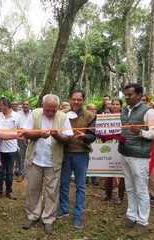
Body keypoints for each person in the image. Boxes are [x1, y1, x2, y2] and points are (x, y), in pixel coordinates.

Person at [22, 94, 73, 235]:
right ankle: (33, 215)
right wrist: (38, 134)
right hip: (35, 160)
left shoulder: (63, 117)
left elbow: (68, 138)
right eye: (47, 110)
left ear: (57, 107)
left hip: (53, 161)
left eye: (53, 110)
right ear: (42, 106)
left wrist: (56, 135)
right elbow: (25, 133)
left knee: (52, 191)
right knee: (33, 189)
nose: (50, 113)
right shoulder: (35, 114)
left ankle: (48, 219)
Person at [118, 83, 154, 238]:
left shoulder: (149, 112)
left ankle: (142, 222)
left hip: (140, 157)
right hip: (125, 153)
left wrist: (141, 132)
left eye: (130, 94)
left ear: (140, 94)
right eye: (126, 94)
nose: (127, 97)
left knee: (141, 189)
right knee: (130, 188)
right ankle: (131, 217)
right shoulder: (124, 111)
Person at [56, 89, 96, 229]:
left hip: (81, 154)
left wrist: (85, 137)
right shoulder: (63, 115)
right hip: (66, 153)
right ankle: (64, 208)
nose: (76, 102)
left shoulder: (90, 115)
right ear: (71, 99)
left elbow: (93, 136)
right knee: (64, 183)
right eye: (74, 99)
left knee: (80, 186)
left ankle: (78, 215)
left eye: (79, 99)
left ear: (83, 100)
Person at [0, 97, 21, 201]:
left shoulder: (17, 116)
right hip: (0, 148)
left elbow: (20, 131)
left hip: (12, 148)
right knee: (0, 171)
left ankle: (9, 191)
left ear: (6, 105)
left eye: (1, 105)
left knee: (10, 171)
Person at [102, 99, 125, 204]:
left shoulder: (125, 117)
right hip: (109, 146)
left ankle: (120, 196)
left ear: (121, 106)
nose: (115, 106)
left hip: (122, 146)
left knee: (122, 173)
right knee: (108, 171)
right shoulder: (106, 117)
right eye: (113, 104)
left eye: (117, 104)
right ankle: (108, 194)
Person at [15, 99, 31, 182]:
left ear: (29, 105)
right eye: (24, 104)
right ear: (22, 105)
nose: (25, 106)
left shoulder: (32, 114)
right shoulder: (18, 115)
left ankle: (30, 174)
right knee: (21, 156)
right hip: (21, 138)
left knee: (32, 156)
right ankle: (21, 174)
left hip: (32, 138)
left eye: (27, 104)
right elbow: (16, 126)